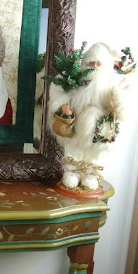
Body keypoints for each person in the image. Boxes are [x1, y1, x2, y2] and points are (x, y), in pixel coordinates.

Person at [48, 42, 127, 190]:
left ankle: (91, 175)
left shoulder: (112, 81)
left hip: (98, 126)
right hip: (76, 124)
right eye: (91, 63)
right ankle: (71, 173)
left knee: (94, 153)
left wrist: (116, 104)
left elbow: (121, 97)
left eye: (99, 63)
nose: (95, 67)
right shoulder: (75, 77)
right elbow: (58, 90)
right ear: (85, 62)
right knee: (73, 149)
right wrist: (62, 105)